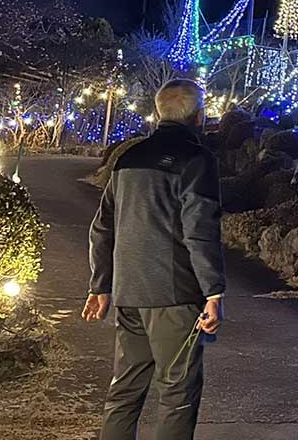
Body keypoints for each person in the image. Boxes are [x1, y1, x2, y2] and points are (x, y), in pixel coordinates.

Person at [84, 79, 226, 440]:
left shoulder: (127, 158)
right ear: (199, 116)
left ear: (159, 113)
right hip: (175, 294)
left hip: (129, 291)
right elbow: (200, 230)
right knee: (177, 394)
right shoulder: (198, 160)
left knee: (125, 391)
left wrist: (101, 285)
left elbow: (103, 226)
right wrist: (213, 291)